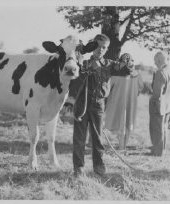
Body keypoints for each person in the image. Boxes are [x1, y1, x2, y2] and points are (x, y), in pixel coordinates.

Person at [72, 34, 134, 177]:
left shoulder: (110, 64)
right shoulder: (84, 63)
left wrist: (128, 60)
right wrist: (81, 57)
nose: (100, 50)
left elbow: (126, 71)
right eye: (98, 46)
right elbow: (75, 79)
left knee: (98, 138)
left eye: (104, 47)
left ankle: (99, 168)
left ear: (107, 49)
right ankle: (78, 168)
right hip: (82, 104)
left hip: (99, 105)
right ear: (93, 46)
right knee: (79, 138)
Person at [105, 53, 144, 150]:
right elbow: (141, 87)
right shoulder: (137, 74)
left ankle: (122, 147)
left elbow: (108, 88)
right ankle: (123, 146)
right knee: (127, 123)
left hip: (117, 102)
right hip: (131, 102)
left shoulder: (115, 75)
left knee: (120, 124)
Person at [149, 51, 170, 156]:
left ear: (159, 60)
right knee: (164, 128)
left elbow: (157, 93)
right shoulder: (168, 70)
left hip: (158, 104)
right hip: (167, 105)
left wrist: (152, 101)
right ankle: (162, 150)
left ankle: (157, 152)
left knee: (157, 129)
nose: (154, 62)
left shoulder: (160, 72)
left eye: (155, 60)